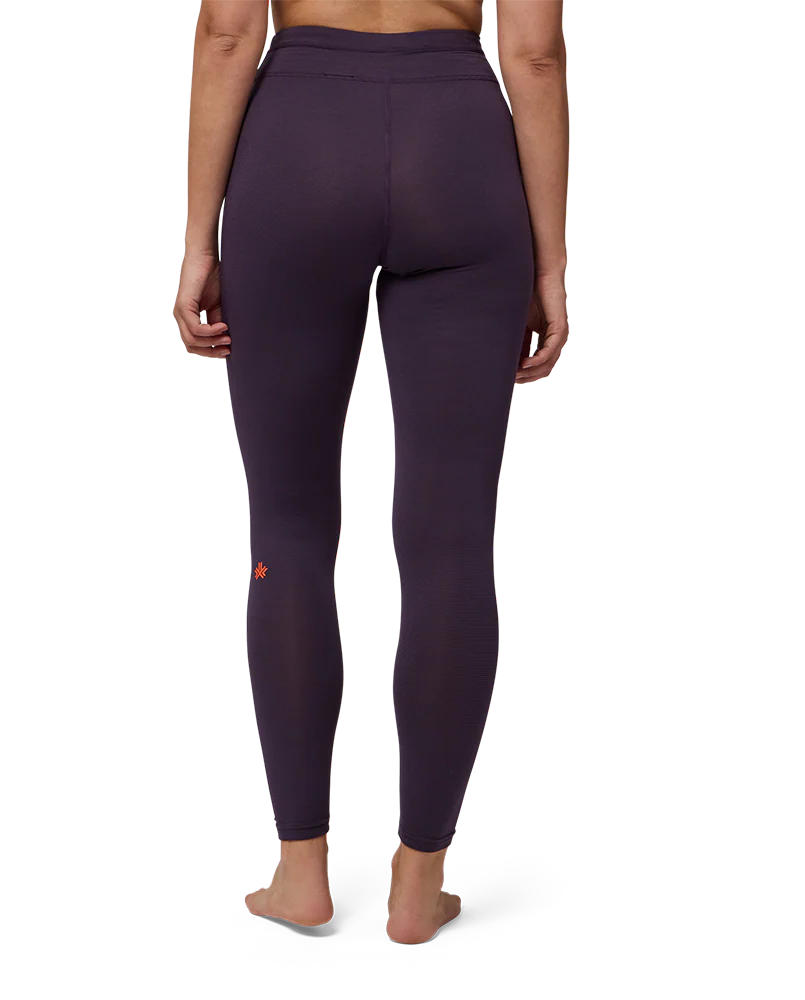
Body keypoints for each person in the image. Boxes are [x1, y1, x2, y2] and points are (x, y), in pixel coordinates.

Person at [175, 0, 569, 943]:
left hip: (299, 145)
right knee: (454, 542)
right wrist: (552, 265)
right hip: (461, 152)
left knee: (287, 527)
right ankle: (418, 890)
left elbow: (226, 33)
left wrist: (197, 242)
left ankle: (302, 873)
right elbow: (534, 53)